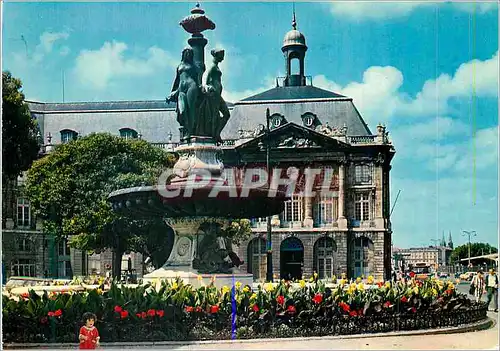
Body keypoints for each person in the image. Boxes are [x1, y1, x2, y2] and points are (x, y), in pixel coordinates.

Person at [167, 47, 200, 138]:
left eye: (190, 53)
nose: (188, 54)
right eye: (186, 52)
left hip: (191, 86)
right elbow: (177, 80)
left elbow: (197, 80)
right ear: (183, 54)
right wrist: (173, 92)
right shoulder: (179, 66)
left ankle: (189, 131)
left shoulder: (195, 66)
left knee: (190, 109)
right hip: (181, 89)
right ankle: (186, 128)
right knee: (182, 110)